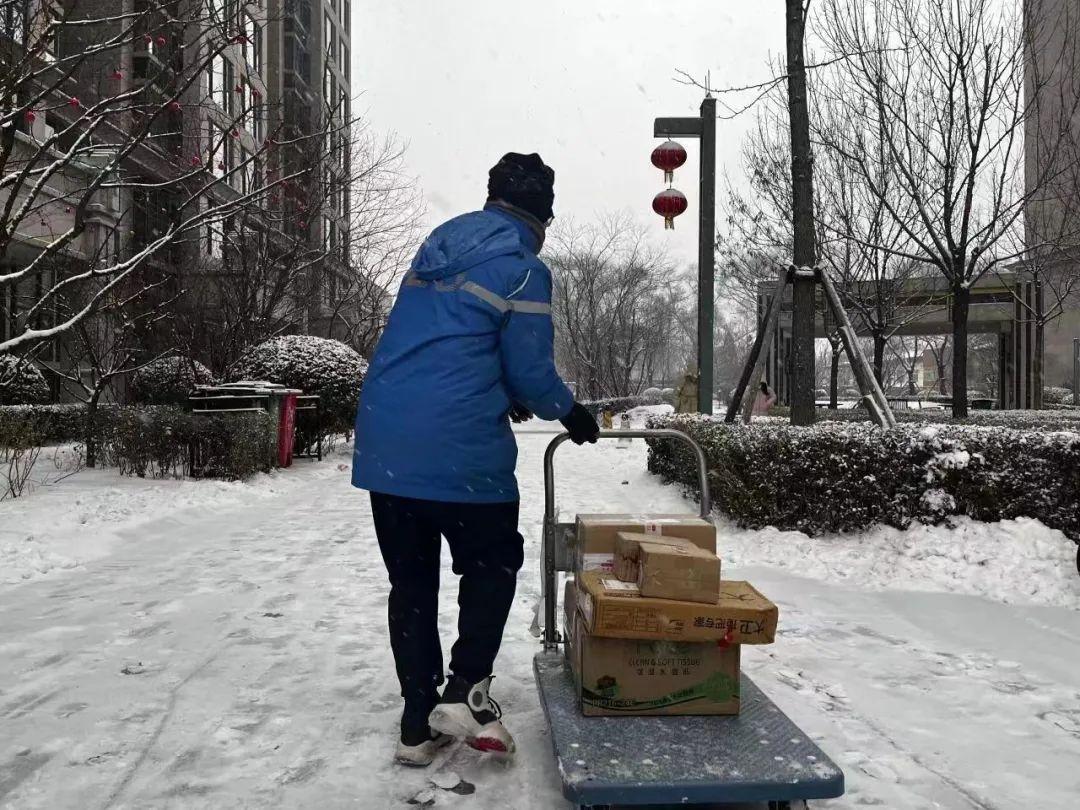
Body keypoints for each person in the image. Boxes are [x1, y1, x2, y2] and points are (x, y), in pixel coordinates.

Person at [352, 152, 600, 767]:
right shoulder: (522, 267)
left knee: (410, 583)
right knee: (492, 564)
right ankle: (464, 691)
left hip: (387, 444)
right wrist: (570, 412)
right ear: (541, 215)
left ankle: (417, 720)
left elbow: (447, 346)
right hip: (461, 449)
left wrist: (503, 391)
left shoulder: (436, 249)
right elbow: (532, 372)